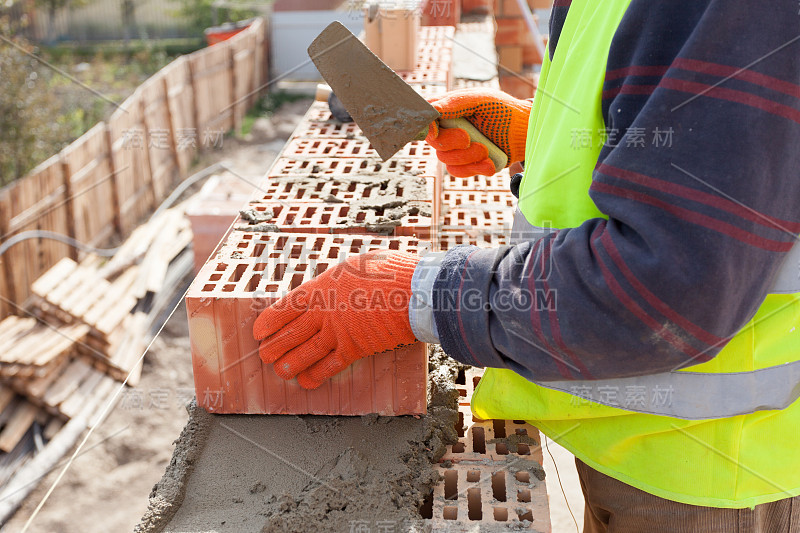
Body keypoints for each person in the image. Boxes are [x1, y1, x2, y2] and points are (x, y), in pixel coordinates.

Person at [254, 0, 800, 530]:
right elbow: (692, 136)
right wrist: (536, 139)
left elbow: (669, 287)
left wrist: (422, 295)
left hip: (713, 473)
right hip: (635, 441)